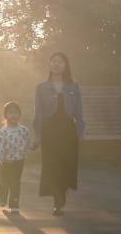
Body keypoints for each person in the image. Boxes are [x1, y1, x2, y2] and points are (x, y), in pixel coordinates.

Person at [33, 52, 85, 216]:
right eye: (53, 61)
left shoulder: (74, 87)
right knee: (52, 166)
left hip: (68, 132)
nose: (56, 64)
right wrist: (38, 135)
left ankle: (61, 197)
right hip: (50, 132)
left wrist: (81, 132)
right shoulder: (41, 87)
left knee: (65, 166)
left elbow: (79, 112)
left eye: (60, 62)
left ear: (65, 65)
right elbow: (38, 113)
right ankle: (57, 202)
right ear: (49, 65)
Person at [0, 101, 32, 214]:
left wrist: (34, 145)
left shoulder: (24, 130)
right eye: (11, 113)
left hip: (19, 161)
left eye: (16, 112)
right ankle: (2, 198)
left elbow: (27, 142)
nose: (14, 115)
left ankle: (14, 204)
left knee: (16, 182)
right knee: (4, 181)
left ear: (19, 114)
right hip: (6, 161)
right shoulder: (3, 131)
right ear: (6, 115)